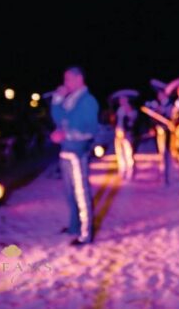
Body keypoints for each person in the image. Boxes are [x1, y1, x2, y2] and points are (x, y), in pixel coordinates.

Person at [50, 66, 99, 246]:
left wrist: (67, 134)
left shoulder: (88, 101)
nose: (65, 83)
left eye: (68, 79)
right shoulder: (70, 100)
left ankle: (86, 234)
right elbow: (58, 120)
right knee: (69, 193)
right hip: (66, 150)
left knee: (81, 192)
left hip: (78, 152)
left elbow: (91, 130)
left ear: (79, 79)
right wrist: (57, 99)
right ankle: (74, 225)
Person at [110, 89, 139, 181]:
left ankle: (130, 172)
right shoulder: (119, 109)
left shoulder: (131, 109)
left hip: (127, 134)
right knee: (119, 153)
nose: (121, 101)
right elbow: (116, 121)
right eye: (120, 100)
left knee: (128, 152)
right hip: (118, 132)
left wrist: (128, 114)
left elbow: (133, 121)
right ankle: (122, 171)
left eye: (123, 99)